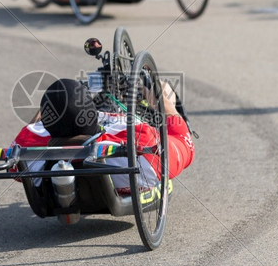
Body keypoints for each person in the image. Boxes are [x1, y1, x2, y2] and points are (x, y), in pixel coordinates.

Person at [11, 77, 195, 197]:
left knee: (64, 94)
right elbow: (185, 144)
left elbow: (34, 129)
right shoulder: (141, 141)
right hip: (118, 147)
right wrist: (165, 102)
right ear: (91, 114)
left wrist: (59, 102)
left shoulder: (26, 144)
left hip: (59, 149)